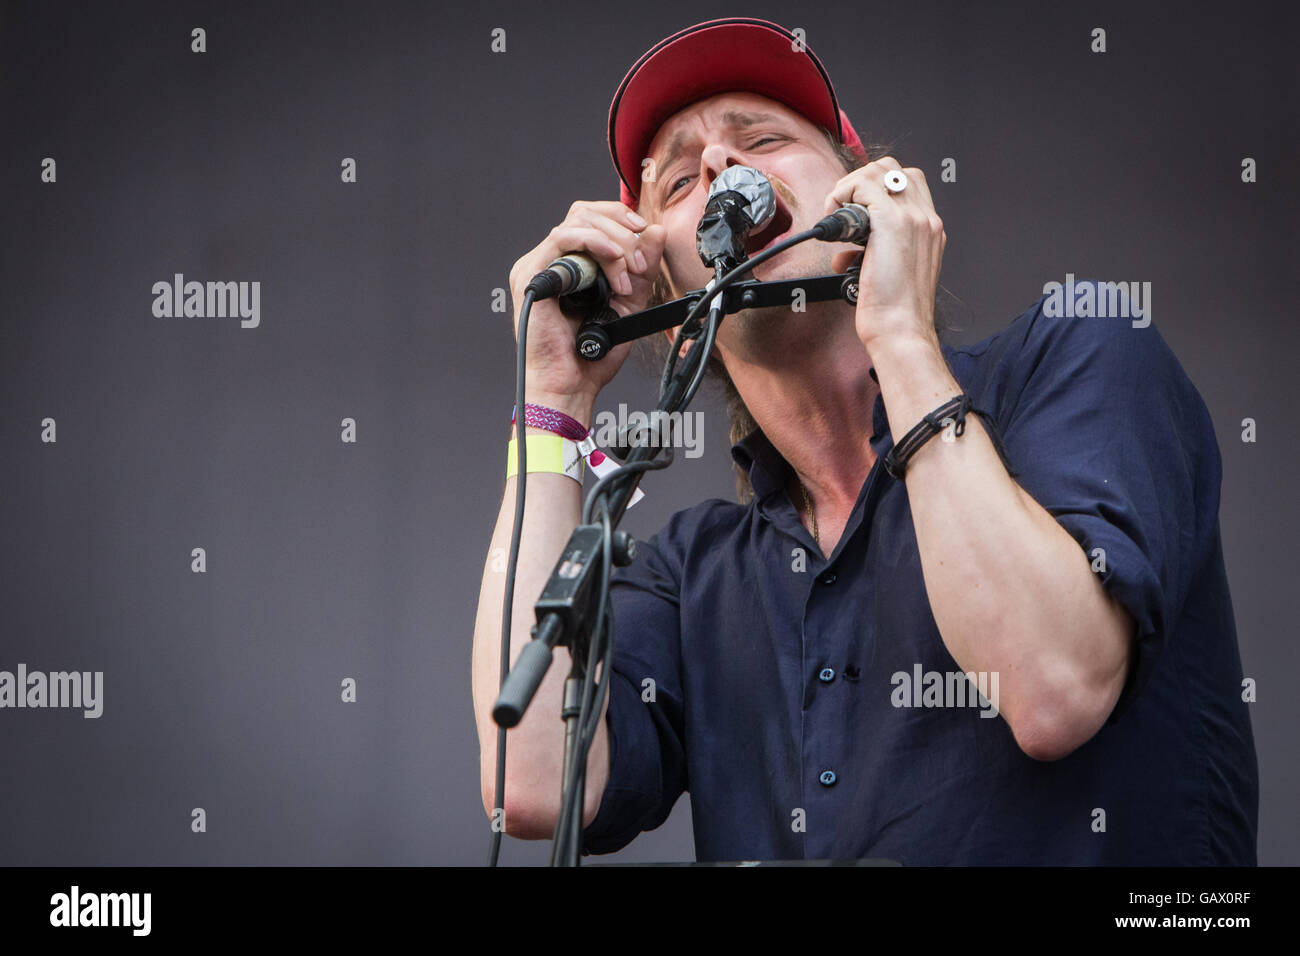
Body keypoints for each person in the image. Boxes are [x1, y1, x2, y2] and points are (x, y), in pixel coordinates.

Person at [471, 17, 1258, 864]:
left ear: (866, 196)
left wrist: (901, 333)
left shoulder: (1083, 354)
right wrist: (551, 400)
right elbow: (532, 783)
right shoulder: (692, 574)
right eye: (675, 183)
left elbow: (1055, 690)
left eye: (762, 137)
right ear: (670, 305)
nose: (719, 167)